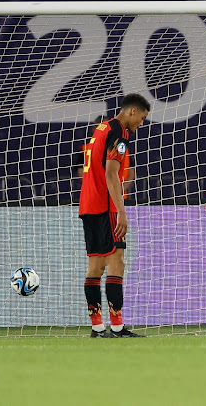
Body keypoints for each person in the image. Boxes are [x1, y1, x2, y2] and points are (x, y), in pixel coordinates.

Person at [79, 94, 150, 338]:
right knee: (116, 261)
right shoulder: (120, 133)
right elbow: (111, 173)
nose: (141, 123)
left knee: (96, 266)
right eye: (141, 118)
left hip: (87, 204)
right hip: (104, 205)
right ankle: (118, 327)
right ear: (132, 111)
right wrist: (121, 211)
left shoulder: (102, 128)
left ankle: (98, 328)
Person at [76, 116, 136, 199]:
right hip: (94, 198)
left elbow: (131, 173)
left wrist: (118, 190)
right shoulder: (85, 150)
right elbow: (81, 173)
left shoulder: (123, 149)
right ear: (94, 129)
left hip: (120, 199)